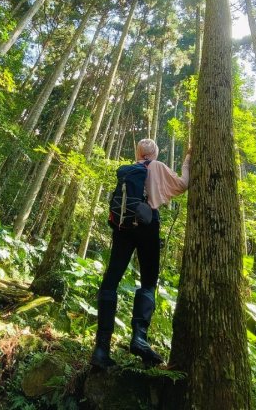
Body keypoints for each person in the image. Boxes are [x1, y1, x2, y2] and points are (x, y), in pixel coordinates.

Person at [90, 138, 191, 369]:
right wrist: (187, 160)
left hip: (123, 227)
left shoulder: (129, 171)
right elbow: (183, 184)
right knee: (147, 282)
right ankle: (139, 339)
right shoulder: (157, 166)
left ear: (138, 152)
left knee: (110, 282)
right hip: (148, 224)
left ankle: (101, 349)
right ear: (154, 153)